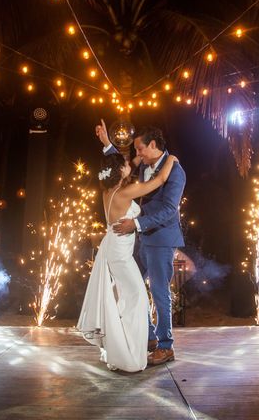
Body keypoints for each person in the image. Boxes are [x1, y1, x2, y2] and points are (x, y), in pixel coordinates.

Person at [77, 151, 179, 372]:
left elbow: (128, 166)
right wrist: (170, 159)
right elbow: (160, 180)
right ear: (119, 171)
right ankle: (128, 353)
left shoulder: (109, 191)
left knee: (130, 297)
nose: (130, 164)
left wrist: (106, 145)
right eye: (125, 164)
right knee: (138, 299)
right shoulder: (125, 192)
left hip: (115, 249)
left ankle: (127, 343)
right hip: (121, 257)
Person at [96, 119, 186, 366]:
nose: (137, 155)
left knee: (159, 292)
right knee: (133, 286)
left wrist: (136, 225)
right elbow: (120, 168)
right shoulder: (146, 165)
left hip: (160, 239)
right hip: (140, 240)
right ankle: (147, 337)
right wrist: (107, 143)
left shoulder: (175, 170)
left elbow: (169, 209)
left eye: (140, 149)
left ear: (153, 145)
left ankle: (166, 346)